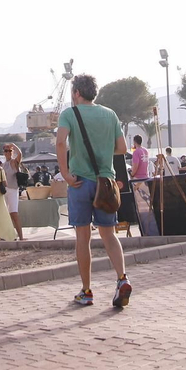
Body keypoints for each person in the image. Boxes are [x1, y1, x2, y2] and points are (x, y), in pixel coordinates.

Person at [56, 74, 131, 308]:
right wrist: (103, 150)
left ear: (77, 92)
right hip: (105, 182)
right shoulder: (110, 115)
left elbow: (60, 142)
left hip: (79, 181)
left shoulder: (69, 114)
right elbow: (122, 148)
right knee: (109, 234)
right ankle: (122, 278)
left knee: (83, 236)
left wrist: (65, 173)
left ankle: (87, 291)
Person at [2, 143, 27, 239]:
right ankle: (8, 235)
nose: (7, 152)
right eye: (5, 151)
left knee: (14, 213)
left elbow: (20, 154)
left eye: (9, 151)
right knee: (5, 213)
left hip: (13, 189)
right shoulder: (4, 164)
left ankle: (21, 236)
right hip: (5, 190)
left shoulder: (13, 162)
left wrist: (13, 145)